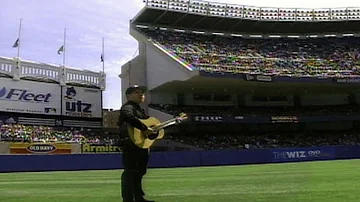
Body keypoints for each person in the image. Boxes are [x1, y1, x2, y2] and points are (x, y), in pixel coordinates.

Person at [118, 85, 155, 202]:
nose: (141, 94)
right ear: (128, 96)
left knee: (139, 172)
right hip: (130, 144)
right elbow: (128, 116)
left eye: (142, 93)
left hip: (141, 144)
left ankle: (139, 197)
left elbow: (150, 127)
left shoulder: (140, 110)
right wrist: (144, 128)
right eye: (137, 92)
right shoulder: (128, 107)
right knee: (130, 172)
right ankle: (128, 199)